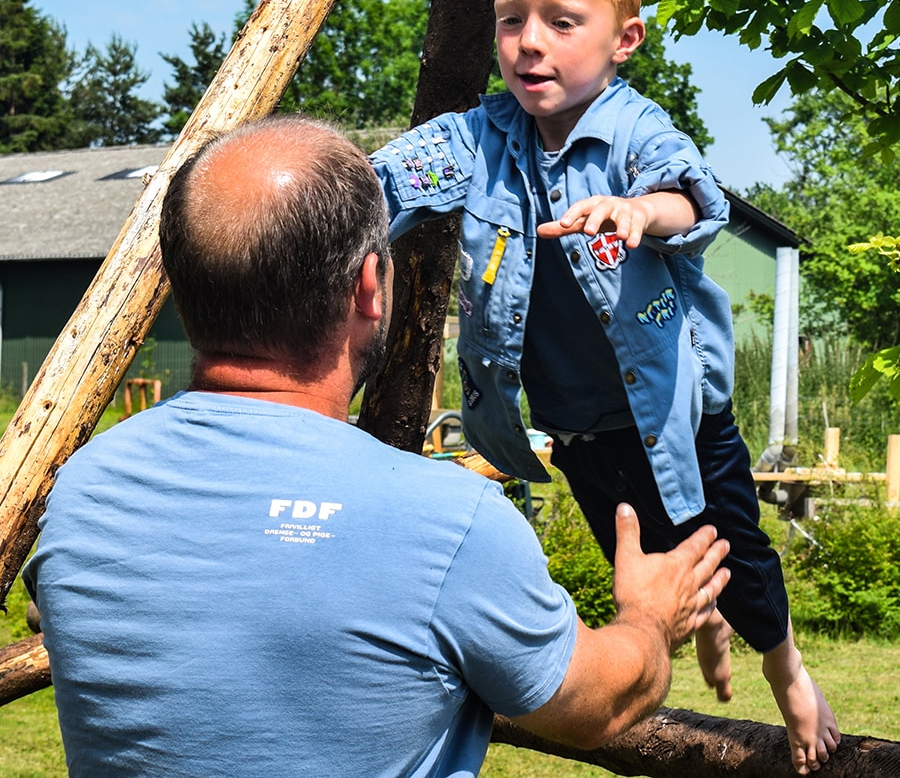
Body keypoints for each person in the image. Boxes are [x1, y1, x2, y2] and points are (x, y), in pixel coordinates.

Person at [24, 114, 730, 777]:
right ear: (370, 286)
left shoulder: (81, 492)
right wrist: (650, 616)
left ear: (183, 289)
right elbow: (597, 703)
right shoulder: (449, 525)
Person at [369, 0, 840, 775]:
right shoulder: (481, 139)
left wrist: (638, 209)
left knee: (734, 554)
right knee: (642, 559)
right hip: (577, 425)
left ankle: (787, 671)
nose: (529, 43)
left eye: (561, 22)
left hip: (677, 413)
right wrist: (322, 206)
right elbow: (392, 177)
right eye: (511, 20)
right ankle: (702, 625)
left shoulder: (634, 131)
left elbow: (692, 198)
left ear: (624, 39)